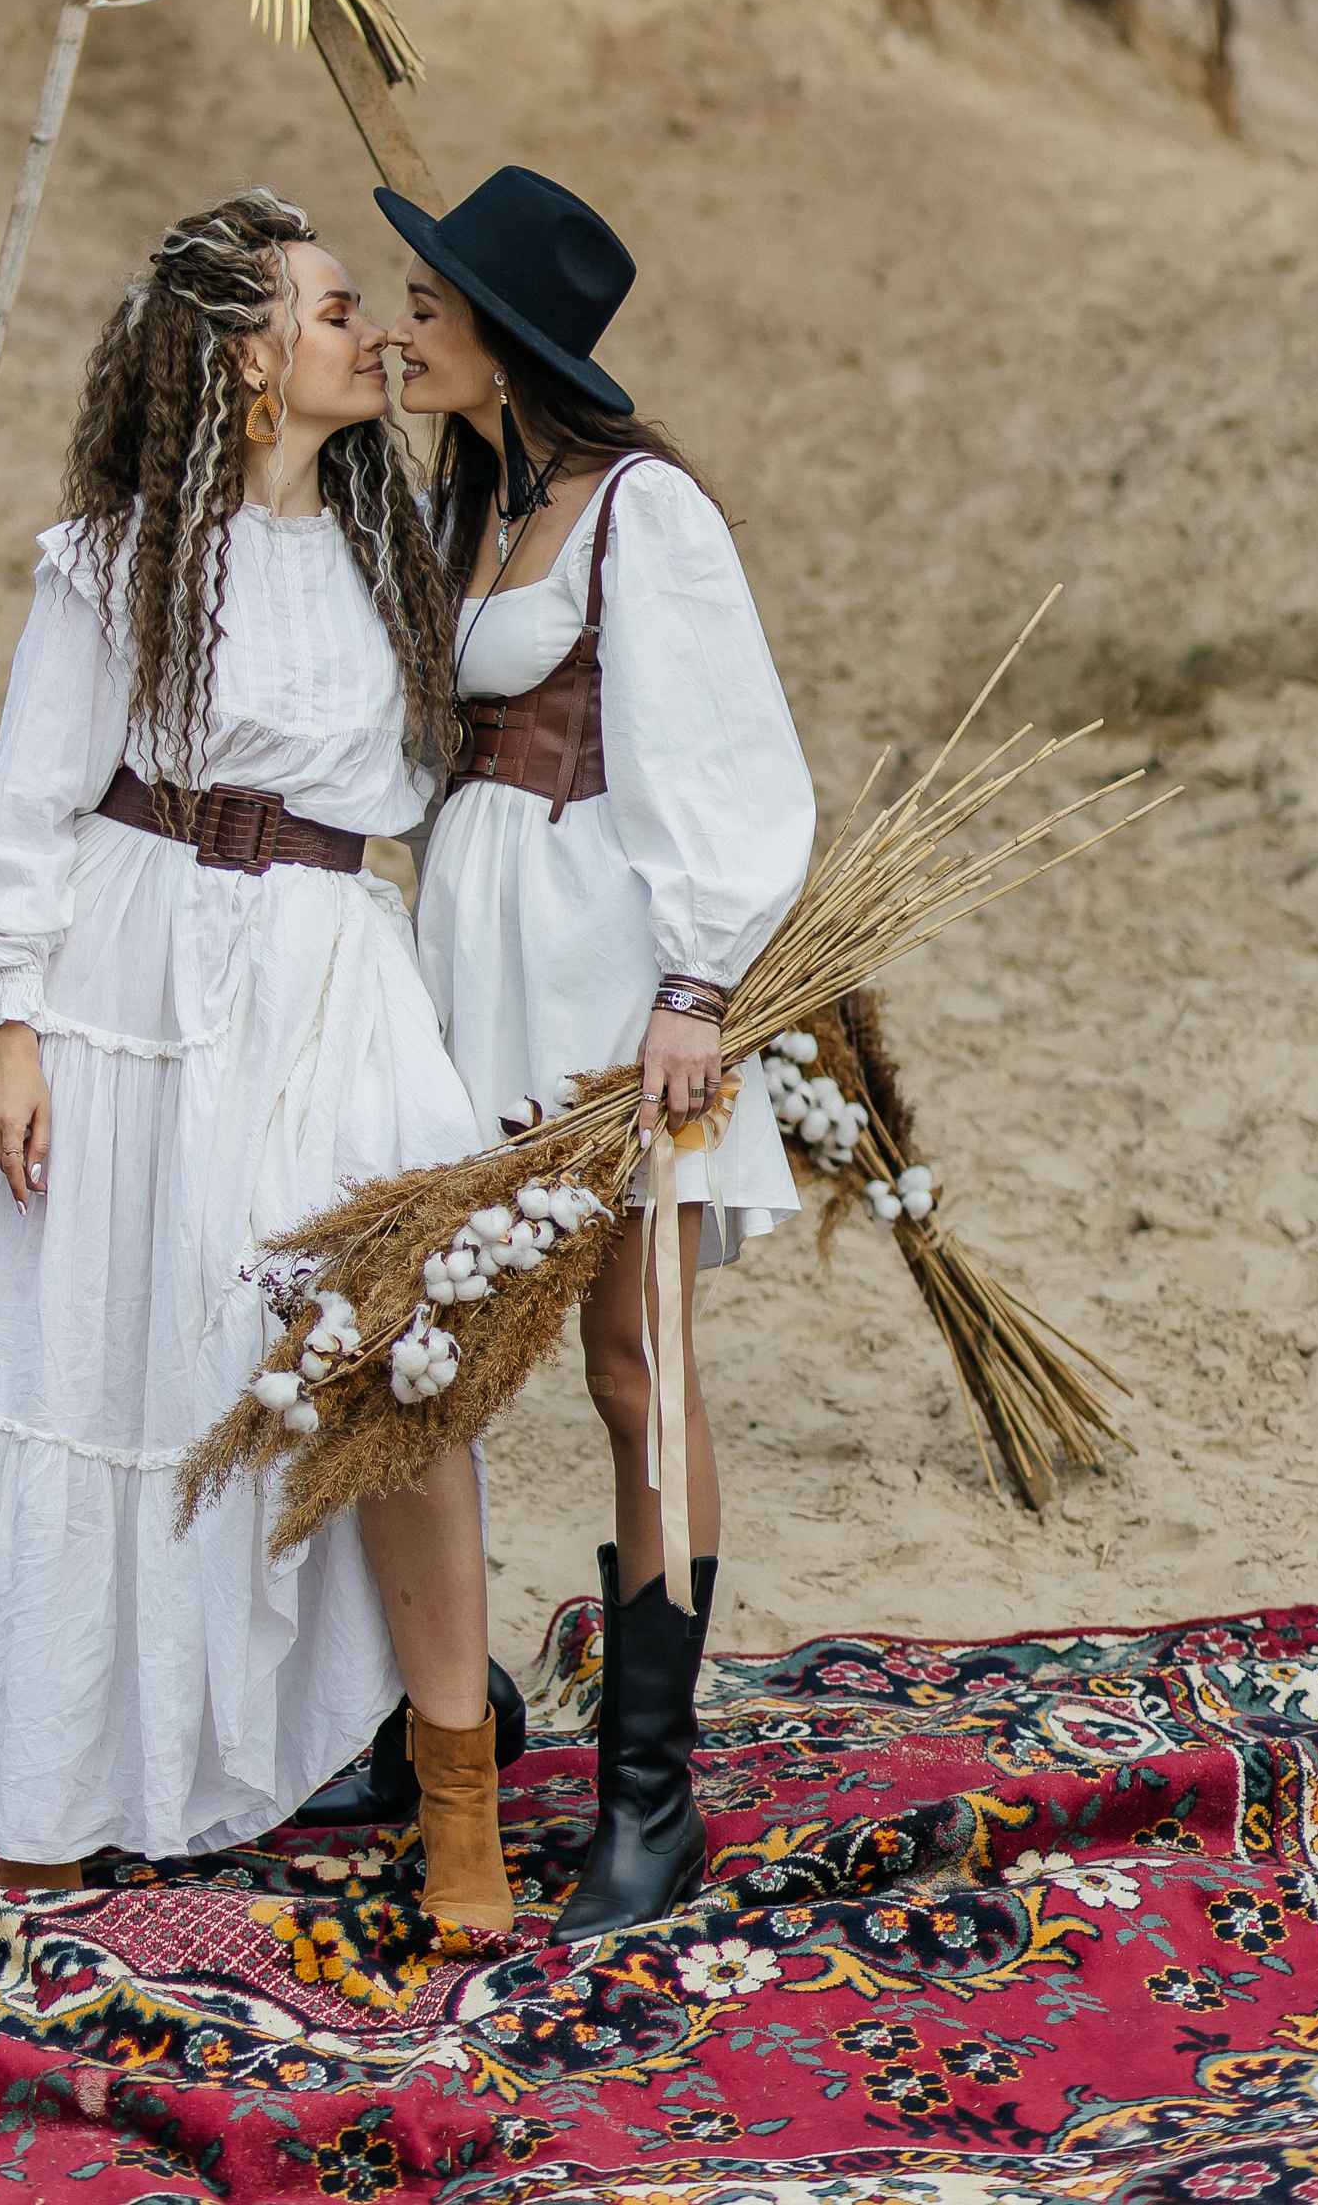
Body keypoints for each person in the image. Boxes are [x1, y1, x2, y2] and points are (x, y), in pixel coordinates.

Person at [0, 192, 515, 1938]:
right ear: (246, 359)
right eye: (330, 313)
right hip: (126, 974)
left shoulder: (402, 547)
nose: (367, 338)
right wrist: (9, 1029)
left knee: (396, 1361)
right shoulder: (122, 555)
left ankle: (459, 1785)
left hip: (329, 969)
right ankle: (61, 1770)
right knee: (103, 1369)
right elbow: (29, 803)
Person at [375, 164, 816, 1943]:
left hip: (609, 964)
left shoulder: (646, 516)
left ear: (500, 335)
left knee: (636, 1366)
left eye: (426, 303)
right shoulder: (462, 501)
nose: (405, 324)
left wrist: (698, 988)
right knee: (435, 1346)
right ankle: (421, 1709)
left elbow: (726, 758)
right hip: (466, 947)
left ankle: (651, 1792)